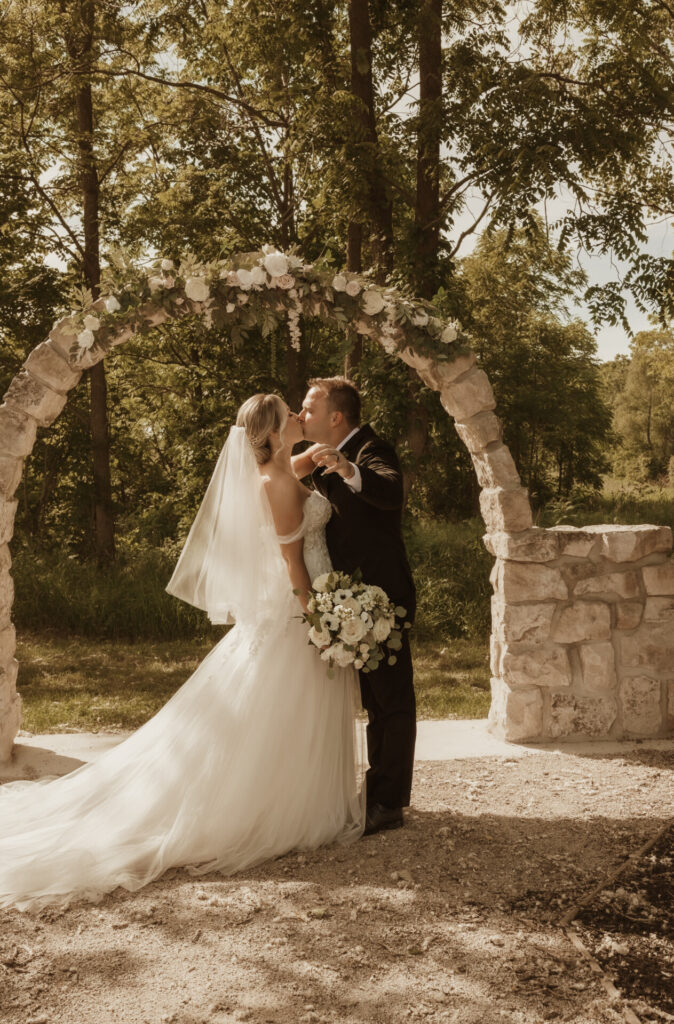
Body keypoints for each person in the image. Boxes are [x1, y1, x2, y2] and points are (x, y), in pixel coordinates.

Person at [0, 394, 365, 913]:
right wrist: (322, 626)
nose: (299, 417)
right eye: (290, 414)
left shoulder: (279, 469)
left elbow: (298, 465)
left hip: (286, 613)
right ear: (273, 432)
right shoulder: (278, 484)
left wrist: (331, 459)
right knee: (279, 714)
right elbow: (292, 565)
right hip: (294, 615)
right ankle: (264, 809)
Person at [293, 377, 416, 836]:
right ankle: (377, 790)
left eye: (309, 408)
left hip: (384, 597)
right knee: (373, 701)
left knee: (392, 699)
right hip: (349, 602)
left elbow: (390, 491)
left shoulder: (370, 449)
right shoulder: (318, 457)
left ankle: (388, 802)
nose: (301, 415)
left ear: (336, 417)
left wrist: (348, 469)